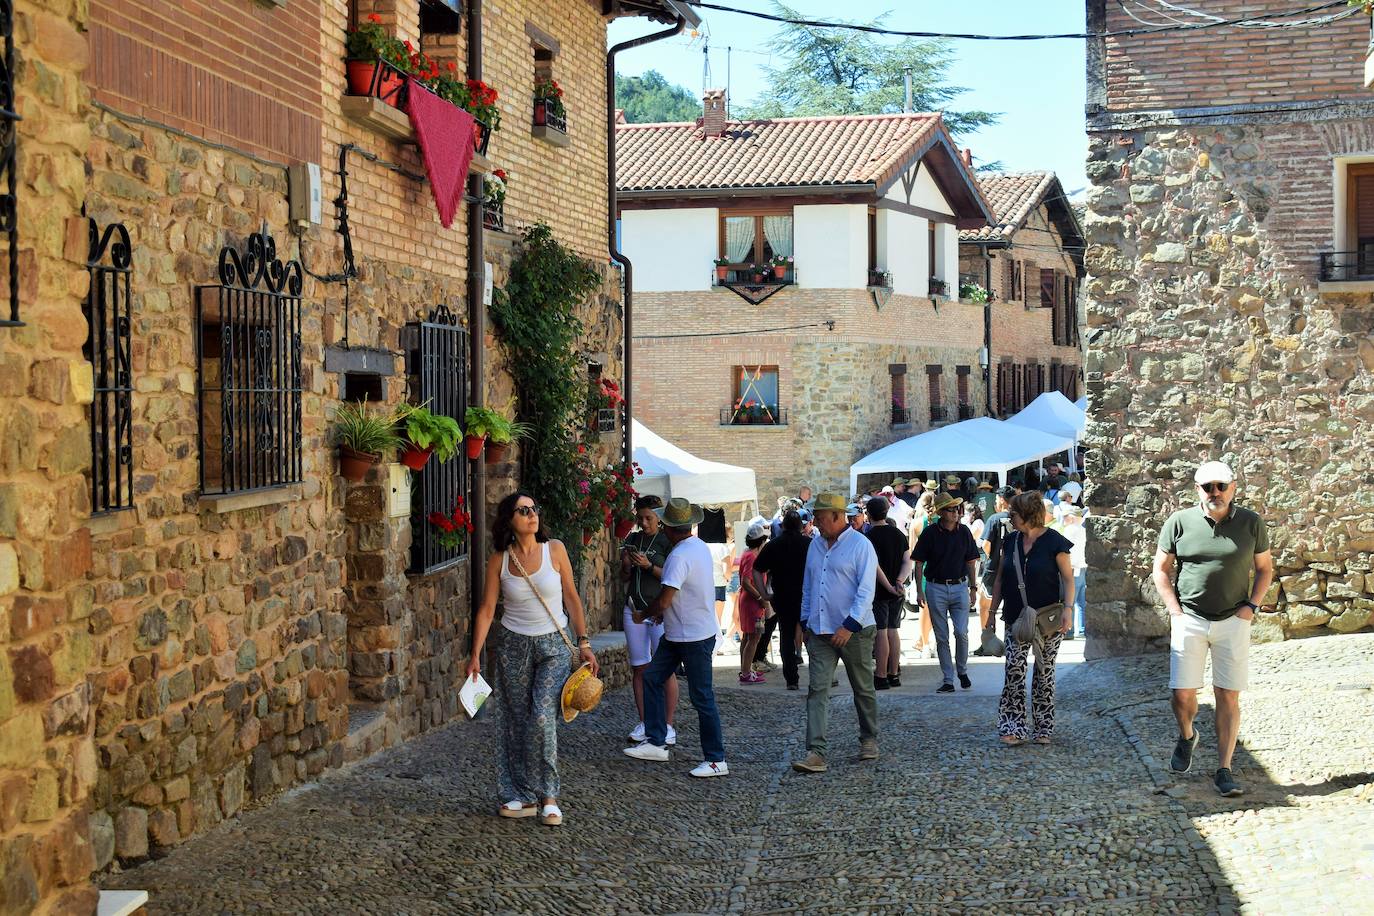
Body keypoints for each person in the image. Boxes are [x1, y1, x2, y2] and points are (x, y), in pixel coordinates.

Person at [467, 492, 600, 826]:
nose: (531, 514)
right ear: (510, 520)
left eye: (534, 508)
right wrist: (475, 656)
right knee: (512, 720)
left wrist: (583, 642)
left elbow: (572, 596)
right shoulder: (500, 559)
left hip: (553, 645)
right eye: (523, 510)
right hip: (512, 646)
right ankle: (518, 794)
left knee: (542, 715)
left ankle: (549, 795)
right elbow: (486, 610)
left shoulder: (554, 549)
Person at [1153, 460, 1272, 798]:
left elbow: (1265, 569)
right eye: (1208, 487)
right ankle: (1187, 734)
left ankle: (1225, 769)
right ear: (1197, 490)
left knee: (1227, 694)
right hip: (1189, 617)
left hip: (1234, 619)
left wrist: (1252, 606)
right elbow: (1160, 569)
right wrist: (1174, 611)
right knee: (1182, 693)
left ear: (1233, 487)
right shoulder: (1179, 522)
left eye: (1221, 486)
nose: (1215, 492)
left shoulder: (1251, 523)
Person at [624, 498, 729, 778]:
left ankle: (716, 759)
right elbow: (681, 595)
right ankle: (657, 742)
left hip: (691, 637)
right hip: (681, 632)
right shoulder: (698, 547)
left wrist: (644, 614)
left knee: (702, 697)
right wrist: (661, 615)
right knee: (652, 677)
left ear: (668, 528)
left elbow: (665, 598)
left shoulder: (679, 556)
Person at [792, 493, 880, 773]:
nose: (815, 522)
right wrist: (805, 621)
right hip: (820, 630)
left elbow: (866, 590)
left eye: (819, 517)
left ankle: (869, 738)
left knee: (862, 687)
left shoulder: (860, 545)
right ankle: (815, 752)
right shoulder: (815, 546)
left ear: (837, 516)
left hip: (855, 631)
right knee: (817, 689)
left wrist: (849, 626)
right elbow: (809, 584)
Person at [989, 491, 1074, 746]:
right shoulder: (1011, 541)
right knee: (1014, 669)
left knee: (1044, 672)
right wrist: (991, 614)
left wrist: (1068, 609)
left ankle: (1043, 727)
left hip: (1048, 620)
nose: (1009, 516)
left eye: (1013, 513)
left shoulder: (1055, 542)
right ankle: (1012, 726)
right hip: (1016, 617)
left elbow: (1068, 579)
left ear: (1026, 515)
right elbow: (1001, 579)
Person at [619, 495, 677, 746]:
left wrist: (648, 565)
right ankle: (645, 722)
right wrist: (627, 565)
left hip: (658, 610)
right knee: (640, 667)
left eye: (648, 518)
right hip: (633, 610)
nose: (643, 523)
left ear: (659, 517)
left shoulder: (667, 541)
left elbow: (672, 574)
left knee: (664, 669)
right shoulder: (632, 539)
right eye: (640, 518)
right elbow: (623, 576)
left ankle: (667, 724)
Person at [911, 492, 981, 693]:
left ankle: (962, 670)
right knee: (942, 636)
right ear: (941, 512)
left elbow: (971, 561)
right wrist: (919, 589)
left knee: (961, 632)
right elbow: (918, 563)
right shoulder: (930, 533)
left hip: (960, 587)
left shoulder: (965, 532)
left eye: (958, 509)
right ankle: (948, 678)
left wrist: (973, 587)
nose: (957, 513)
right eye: (951, 509)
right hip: (936, 587)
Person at [753, 509, 813, 690]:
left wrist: (763, 593)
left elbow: (757, 570)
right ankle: (822, 675)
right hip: (806, 597)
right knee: (811, 636)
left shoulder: (774, 545)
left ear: (782, 526)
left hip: (782, 597)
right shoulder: (810, 544)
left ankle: (792, 679)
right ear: (801, 526)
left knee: (786, 637)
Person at [864, 496, 908, 690]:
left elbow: (874, 566)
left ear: (868, 514)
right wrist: (899, 581)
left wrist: (889, 585)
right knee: (893, 630)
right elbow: (908, 561)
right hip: (896, 589)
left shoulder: (868, 537)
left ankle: (881, 675)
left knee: (881, 632)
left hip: (879, 590)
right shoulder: (898, 534)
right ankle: (894, 674)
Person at [975, 487, 1016, 655]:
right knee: (1012, 605)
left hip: (994, 569)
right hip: (1015, 568)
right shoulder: (1020, 518)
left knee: (985, 606)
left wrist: (992, 558)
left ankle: (988, 642)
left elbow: (986, 544)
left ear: (1001, 500)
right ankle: (1012, 640)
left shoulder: (994, 518)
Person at [736, 524, 769, 684]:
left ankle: (745, 670)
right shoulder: (752, 556)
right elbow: (746, 582)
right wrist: (760, 598)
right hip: (752, 602)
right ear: (761, 540)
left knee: (748, 637)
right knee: (754, 637)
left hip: (747, 601)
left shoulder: (747, 553)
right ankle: (746, 672)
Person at [1061, 506, 1088, 639]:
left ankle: (1069, 631)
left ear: (1071, 518)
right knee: (1081, 602)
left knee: (1069, 601)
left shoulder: (1069, 530)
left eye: (1065, 517)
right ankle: (1082, 629)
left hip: (1072, 568)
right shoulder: (1083, 530)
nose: (1063, 519)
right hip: (1082, 567)